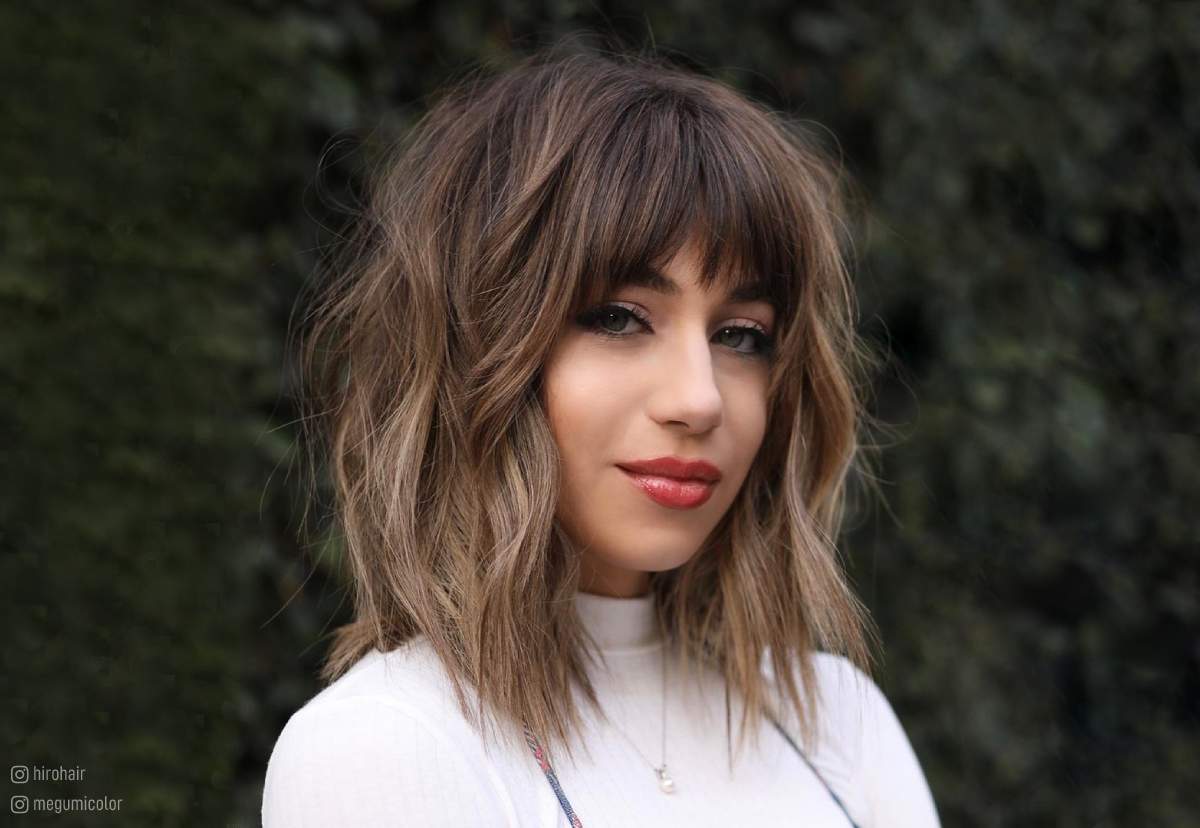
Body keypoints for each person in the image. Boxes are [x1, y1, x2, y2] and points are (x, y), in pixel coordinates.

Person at [262, 38, 941, 827]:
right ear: (480, 348)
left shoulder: (834, 721)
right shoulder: (385, 748)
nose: (700, 399)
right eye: (618, 318)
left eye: (741, 335)